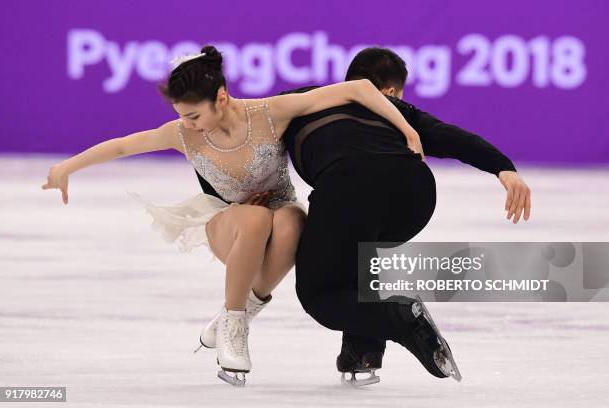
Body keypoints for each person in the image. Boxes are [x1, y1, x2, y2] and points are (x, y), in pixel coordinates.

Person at [40, 45, 428, 387]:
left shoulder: (269, 113)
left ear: (221, 98)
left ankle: (246, 305)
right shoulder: (183, 135)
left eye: (193, 115)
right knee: (253, 219)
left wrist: (407, 129)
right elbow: (124, 146)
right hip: (228, 223)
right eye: (182, 116)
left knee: (293, 220)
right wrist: (66, 168)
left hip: (281, 218)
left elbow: (356, 89)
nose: (187, 123)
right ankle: (235, 321)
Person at [194, 47, 532, 385]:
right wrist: (503, 168)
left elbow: (229, 140)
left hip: (348, 188)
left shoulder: (294, 101)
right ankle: (361, 353)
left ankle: (397, 316)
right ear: (389, 92)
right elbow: (448, 135)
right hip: (415, 194)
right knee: (360, 254)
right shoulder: (394, 109)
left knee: (320, 296)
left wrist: (226, 197)